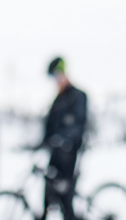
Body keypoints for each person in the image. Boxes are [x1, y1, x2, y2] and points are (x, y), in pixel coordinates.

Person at [35, 57, 88, 220]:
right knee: (48, 192)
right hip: (56, 153)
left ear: (65, 74)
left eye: (58, 76)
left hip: (70, 154)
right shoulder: (58, 100)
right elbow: (50, 126)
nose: (57, 81)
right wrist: (42, 142)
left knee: (65, 198)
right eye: (54, 78)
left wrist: (62, 138)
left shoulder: (78, 96)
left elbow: (78, 125)